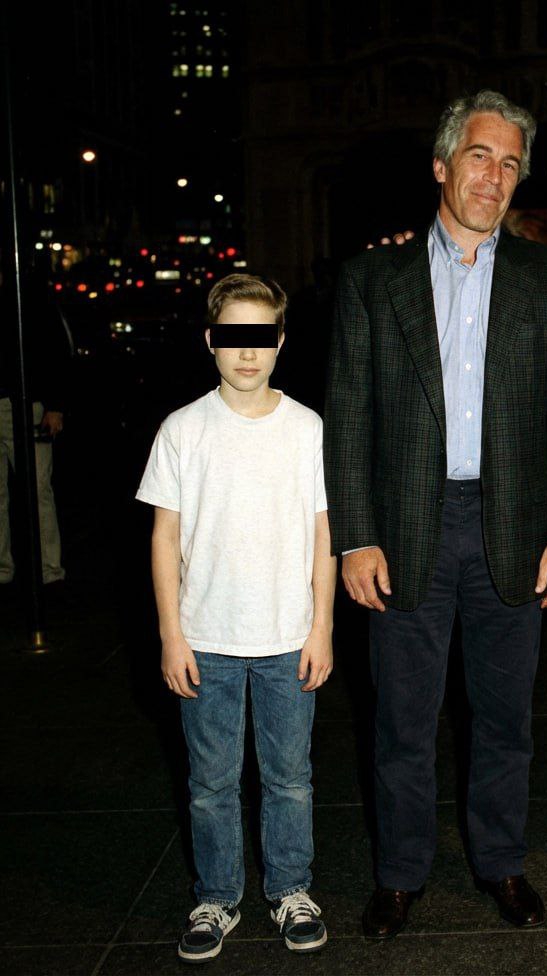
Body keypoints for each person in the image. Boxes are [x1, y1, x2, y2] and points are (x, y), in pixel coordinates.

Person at [324, 90, 547, 939]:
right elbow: (348, 417)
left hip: (514, 528)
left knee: (506, 718)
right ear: (442, 165)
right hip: (407, 527)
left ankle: (501, 863)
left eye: (510, 163)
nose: (495, 176)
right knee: (402, 720)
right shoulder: (373, 279)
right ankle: (400, 874)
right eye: (480, 156)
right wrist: (355, 537)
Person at [137, 274, 336, 963]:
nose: (247, 353)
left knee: (290, 779)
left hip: (287, 637)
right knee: (211, 783)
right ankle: (217, 897)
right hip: (206, 638)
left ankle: (291, 889)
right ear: (210, 341)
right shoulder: (182, 429)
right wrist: (171, 634)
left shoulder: (306, 428)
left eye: (260, 337)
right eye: (233, 337)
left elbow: (324, 534)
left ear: (279, 342)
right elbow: (164, 538)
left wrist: (322, 628)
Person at [0, 274, 70, 587]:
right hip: (18, 401)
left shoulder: (26, 292)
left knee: (38, 489)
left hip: (26, 404)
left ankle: (49, 570)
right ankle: (5, 568)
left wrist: (55, 406)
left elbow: (56, 348)